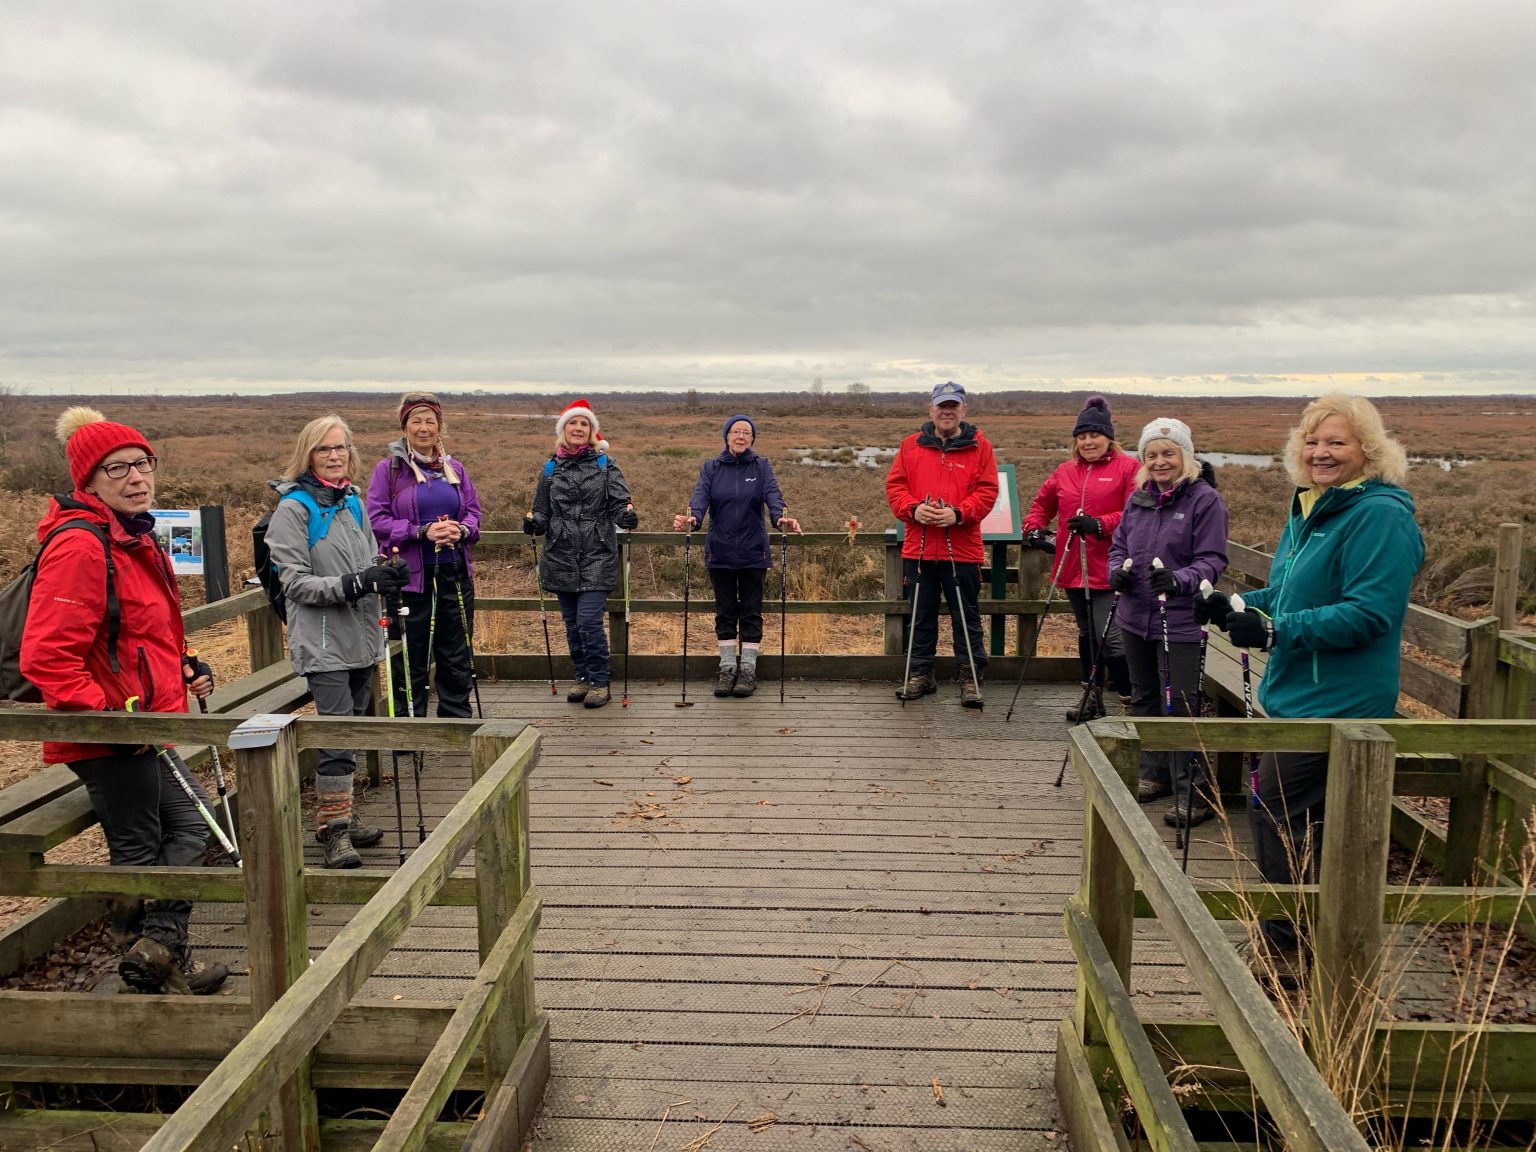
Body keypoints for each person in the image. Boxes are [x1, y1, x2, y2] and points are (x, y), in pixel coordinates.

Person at [1197, 393, 1423, 981]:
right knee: (1303, 818)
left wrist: (1274, 631)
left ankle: (1286, 943)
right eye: (1314, 442)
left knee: (1272, 806)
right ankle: (1311, 934)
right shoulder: (1313, 507)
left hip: (1341, 699)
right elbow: (1294, 591)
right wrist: (1243, 604)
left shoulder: (1380, 515)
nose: (1321, 452)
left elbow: (1370, 613)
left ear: (1367, 452)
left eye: (1337, 442)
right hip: (1297, 692)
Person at [20, 407, 230, 994]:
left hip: (151, 723)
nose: (137, 477)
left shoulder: (135, 537)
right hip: (111, 732)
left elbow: (140, 633)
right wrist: (109, 717)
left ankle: (156, 950)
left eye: (143, 463)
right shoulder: (82, 547)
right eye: (118, 469)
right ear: (87, 482)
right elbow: (47, 657)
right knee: (142, 848)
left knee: (189, 830)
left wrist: (185, 665)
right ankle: (153, 973)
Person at [264, 415, 407, 869]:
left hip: (362, 636)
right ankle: (333, 830)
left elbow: (366, 558)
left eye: (340, 448)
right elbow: (296, 585)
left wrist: (384, 571)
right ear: (307, 454)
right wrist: (358, 582)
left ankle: (342, 815)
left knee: (354, 729)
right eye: (324, 449)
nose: (333, 455)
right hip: (322, 641)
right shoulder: (294, 510)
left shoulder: (352, 503)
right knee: (338, 733)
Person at [1108, 417, 1228, 827]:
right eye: (1152, 455)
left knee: (1179, 704)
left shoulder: (1204, 499)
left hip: (1178, 618)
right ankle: (1153, 773)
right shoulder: (1138, 497)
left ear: (1185, 456)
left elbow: (1213, 559)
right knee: (1143, 697)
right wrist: (1115, 573)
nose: (1160, 462)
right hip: (1134, 613)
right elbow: (1119, 545)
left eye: (1168, 454)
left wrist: (1182, 580)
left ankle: (1193, 793)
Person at [366, 392, 483, 718]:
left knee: (456, 652)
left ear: (439, 427)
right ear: (405, 426)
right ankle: (408, 726)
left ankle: (455, 721)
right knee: (410, 655)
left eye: (430, 421)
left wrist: (460, 531)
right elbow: (376, 521)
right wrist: (421, 531)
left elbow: (474, 513)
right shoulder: (387, 471)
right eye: (415, 421)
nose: (423, 428)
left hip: (454, 573)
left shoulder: (454, 468)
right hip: (409, 580)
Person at [1023, 395, 1140, 721]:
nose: (1088, 442)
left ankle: (1132, 703)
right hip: (1074, 565)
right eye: (1082, 436)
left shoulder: (1130, 468)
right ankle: (1092, 697)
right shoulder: (1064, 471)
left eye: (1095, 435)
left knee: (1111, 638)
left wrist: (1100, 524)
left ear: (1109, 437)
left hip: (1111, 566)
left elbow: (1135, 515)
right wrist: (1034, 529)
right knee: (1088, 633)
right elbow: (1041, 505)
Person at [884, 381, 999, 708]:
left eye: (953, 406)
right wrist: (913, 509)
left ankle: (970, 677)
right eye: (941, 406)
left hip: (961, 549)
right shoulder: (910, 446)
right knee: (920, 614)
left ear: (963, 409)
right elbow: (895, 488)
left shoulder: (980, 447)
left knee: (967, 616)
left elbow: (988, 492)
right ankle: (921, 673)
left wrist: (959, 513)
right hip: (919, 549)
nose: (947, 411)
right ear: (930, 409)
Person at [673, 415, 803, 698]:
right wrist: (692, 519)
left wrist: (781, 519)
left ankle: (748, 671)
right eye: (735, 432)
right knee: (725, 612)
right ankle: (727, 668)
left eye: (746, 432)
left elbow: (773, 496)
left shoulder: (762, 466)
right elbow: (699, 500)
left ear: (753, 439)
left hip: (753, 552)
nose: (741, 436)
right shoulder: (711, 468)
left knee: (751, 613)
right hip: (719, 552)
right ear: (726, 437)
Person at [524, 399, 639, 709]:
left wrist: (626, 516)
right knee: (572, 623)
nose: (578, 428)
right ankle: (583, 678)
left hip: (597, 554)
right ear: (563, 430)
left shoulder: (606, 465)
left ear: (592, 431)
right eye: (572, 424)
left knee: (588, 621)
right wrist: (534, 522)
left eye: (583, 424)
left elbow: (619, 503)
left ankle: (601, 681)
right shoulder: (550, 468)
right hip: (560, 555)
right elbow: (543, 510)